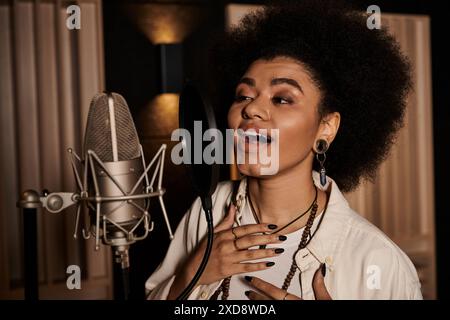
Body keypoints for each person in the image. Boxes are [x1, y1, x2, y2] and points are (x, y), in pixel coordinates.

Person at [146, 0, 422, 300]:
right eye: (243, 95)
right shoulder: (205, 211)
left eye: (281, 99)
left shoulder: (378, 261)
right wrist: (191, 273)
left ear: (325, 127)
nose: (251, 108)